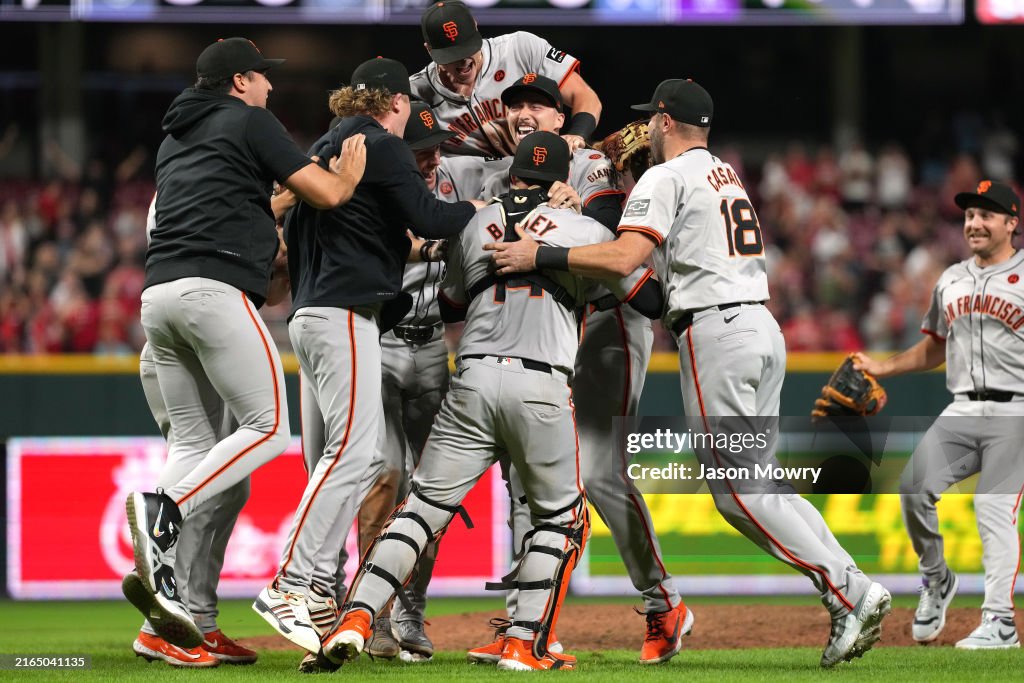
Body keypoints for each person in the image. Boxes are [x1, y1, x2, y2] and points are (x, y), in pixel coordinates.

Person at [487, 78, 892, 668]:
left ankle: (849, 591)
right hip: (759, 327)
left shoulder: (665, 175)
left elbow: (626, 259)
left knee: (735, 492)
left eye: (652, 117)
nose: (645, 126)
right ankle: (850, 588)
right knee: (762, 481)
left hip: (716, 331)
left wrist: (542, 253)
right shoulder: (724, 172)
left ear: (667, 121)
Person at [319, 131, 663, 671]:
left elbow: (452, 304)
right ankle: (525, 642)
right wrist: (573, 263)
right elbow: (650, 298)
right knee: (562, 519)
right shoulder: (586, 228)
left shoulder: (474, 222)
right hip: (542, 384)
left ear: (514, 174)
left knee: (421, 509)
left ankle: (357, 617)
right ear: (563, 180)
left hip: (472, 380)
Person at [124, 36, 367, 650]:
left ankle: (177, 621)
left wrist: (275, 208)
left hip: (158, 303)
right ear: (237, 82)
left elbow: (246, 201)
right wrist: (347, 176)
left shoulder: (176, 137)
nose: (269, 86)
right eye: (261, 76)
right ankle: (163, 512)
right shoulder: (250, 120)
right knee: (267, 428)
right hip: (213, 296)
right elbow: (328, 195)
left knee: (200, 448)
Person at [253, 57, 480, 656]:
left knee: (349, 455)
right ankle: (292, 583)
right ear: (398, 103)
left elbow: (364, 233)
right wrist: (485, 213)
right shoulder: (378, 144)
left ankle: (318, 590)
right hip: (343, 314)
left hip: (315, 310)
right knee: (356, 455)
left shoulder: (328, 146)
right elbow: (431, 214)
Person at [467, 75, 688, 665]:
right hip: (548, 332)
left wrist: (585, 202)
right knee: (528, 474)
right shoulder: (505, 173)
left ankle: (663, 599)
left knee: (597, 472)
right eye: (513, 105)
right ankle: (527, 625)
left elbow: (626, 240)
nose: (523, 113)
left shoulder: (595, 160)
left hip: (611, 318)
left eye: (537, 103)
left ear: (563, 116)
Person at [854, 180, 1024, 650]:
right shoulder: (951, 278)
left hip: (1017, 410)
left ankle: (1001, 622)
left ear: (1011, 223)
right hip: (963, 408)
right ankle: (937, 578)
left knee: (992, 506)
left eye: (987, 214)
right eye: (970, 214)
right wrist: (884, 367)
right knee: (913, 489)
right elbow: (935, 346)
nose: (974, 222)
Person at [411, 0, 601, 157]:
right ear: (429, 49)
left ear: (476, 27)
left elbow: (584, 96)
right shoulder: (415, 93)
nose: (463, 61)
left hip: (543, 168)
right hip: (478, 191)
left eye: (468, 48)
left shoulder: (519, 48)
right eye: (452, 55)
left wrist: (577, 134)